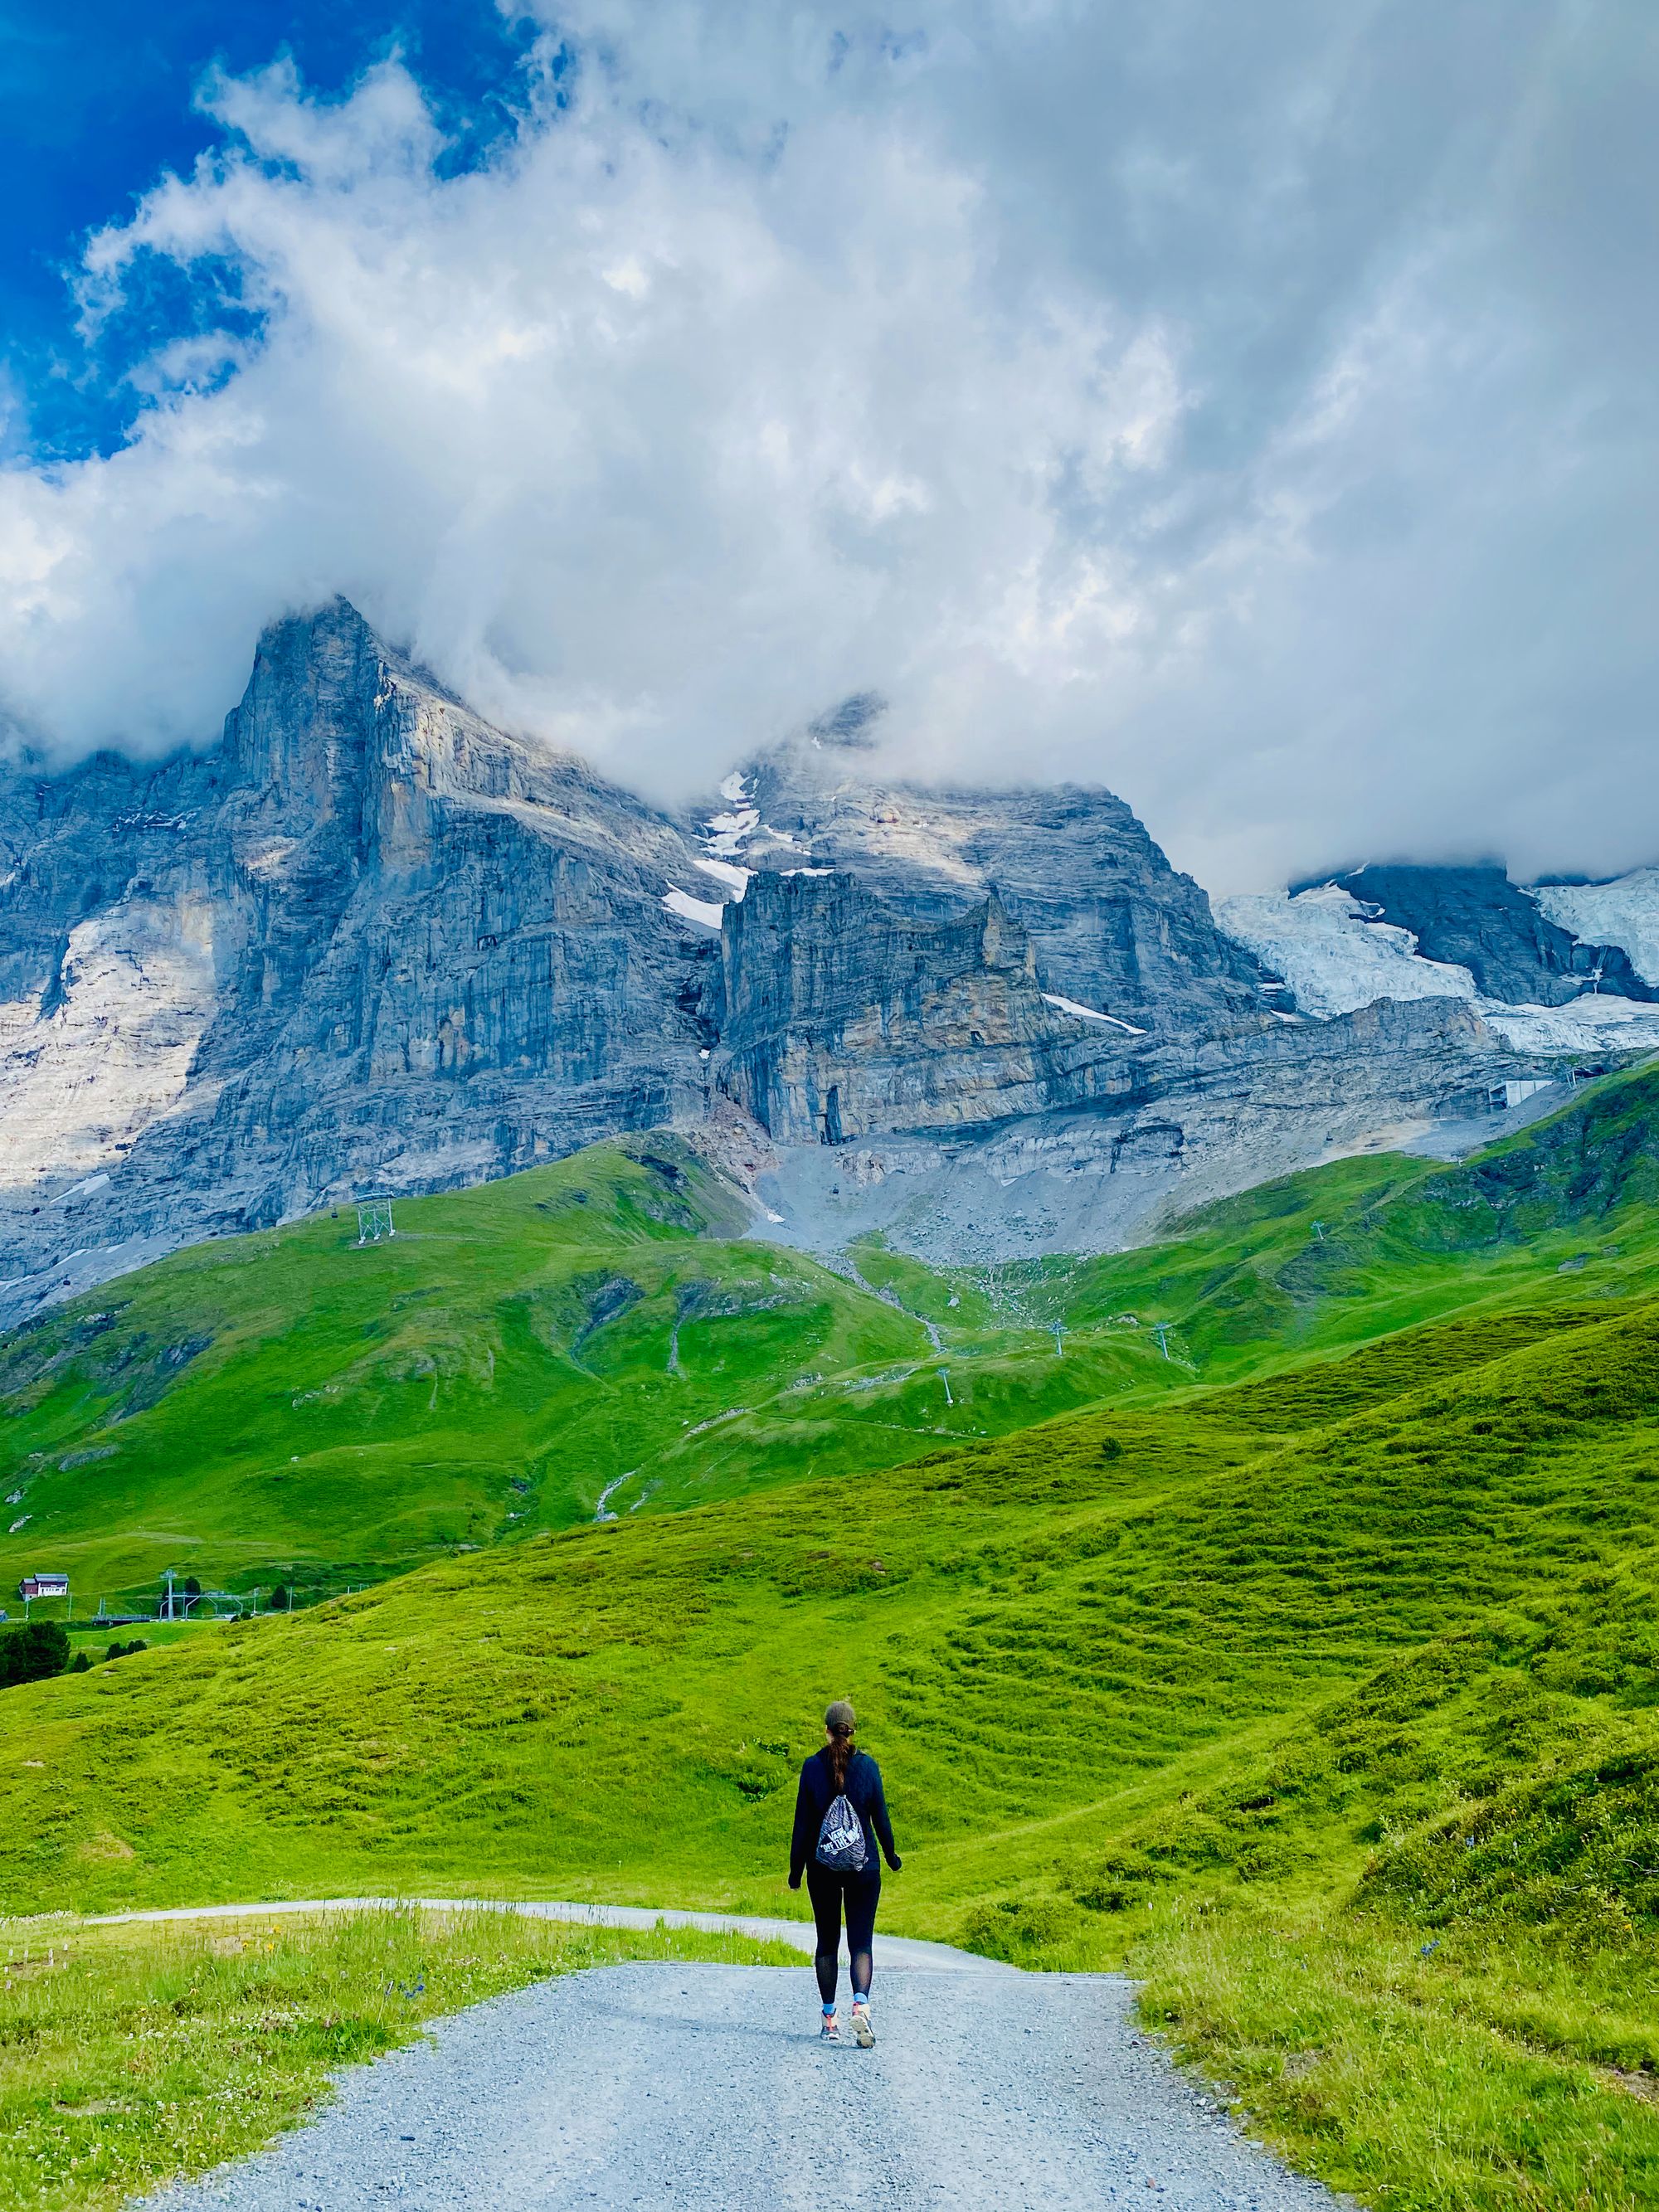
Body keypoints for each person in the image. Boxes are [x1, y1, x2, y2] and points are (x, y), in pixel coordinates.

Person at [788, 1699, 901, 2046]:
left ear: (826, 1730)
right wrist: (892, 1855)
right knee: (861, 1943)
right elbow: (880, 1817)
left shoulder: (811, 1768)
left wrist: (795, 1870)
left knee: (827, 1943)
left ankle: (828, 2019)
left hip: (821, 1869)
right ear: (853, 1731)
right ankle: (861, 2008)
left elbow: (803, 1825)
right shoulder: (868, 1767)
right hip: (863, 1868)